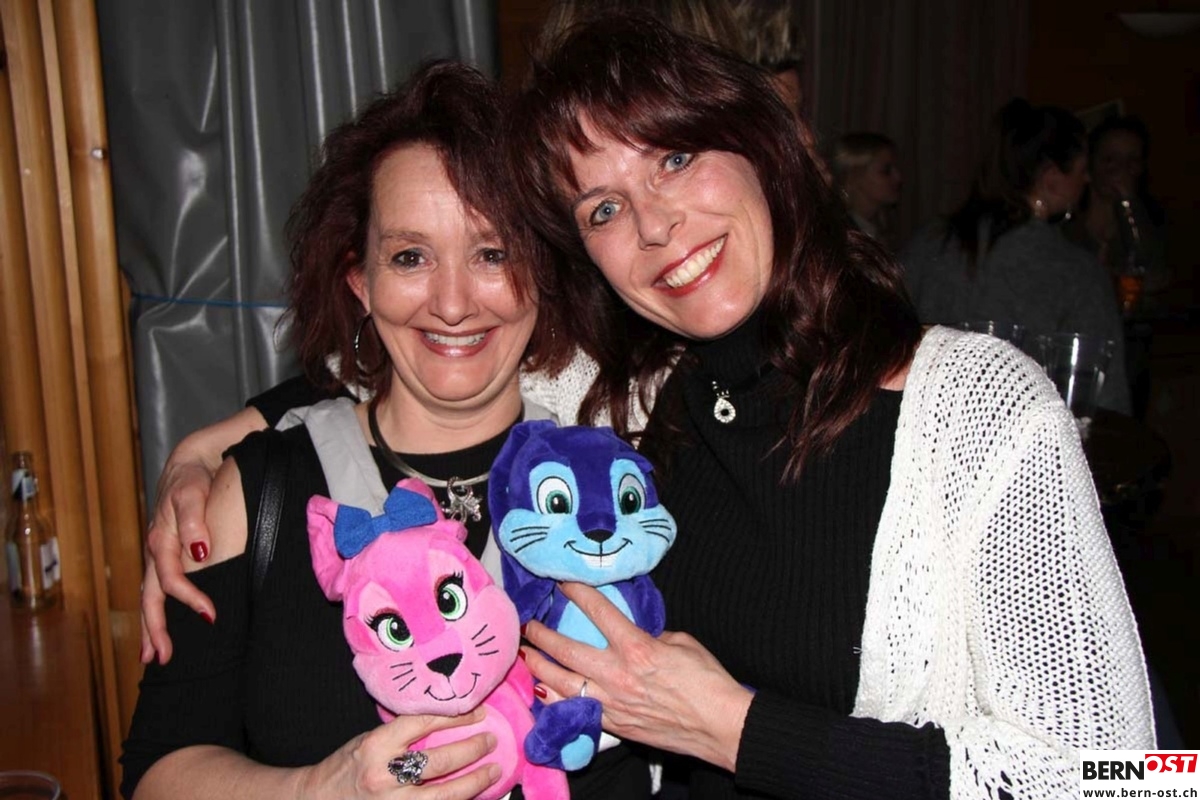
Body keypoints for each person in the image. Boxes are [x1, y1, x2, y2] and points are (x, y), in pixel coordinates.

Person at [503, 15, 1152, 800]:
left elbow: (1132, 778)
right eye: (603, 209)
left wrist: (733, 729)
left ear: (762, 146)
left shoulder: (981, 411)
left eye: (675, 157)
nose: (654, 225)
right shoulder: (632, 404)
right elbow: (444, 336)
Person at [121, 60, 650, 800]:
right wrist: (321, 788)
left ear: (545, 274)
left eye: (492, 253)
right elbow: (157, 771)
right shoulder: (254, 492)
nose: (453, 303)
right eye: (410, 257)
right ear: (360, 281)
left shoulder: (619, 488)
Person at [901, 98, 1132, 414]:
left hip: (923, 429)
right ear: (1051, 178)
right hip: (1028, 440)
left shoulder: (930, 241)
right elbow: (1105, 399)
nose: (1088, 180)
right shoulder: (1073, 269)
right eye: (1082, 170)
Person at [1064, 114, 1169, 314]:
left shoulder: (1152, 222)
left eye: (1132, 160)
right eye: (1110, 160)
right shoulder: (1066, 227)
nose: (1121, 170)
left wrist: (1128, 203)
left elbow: (1155, 275)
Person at [830, 132, 903, 245]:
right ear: (853, 177)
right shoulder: (840, 235)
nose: (898, 177)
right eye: (886, 171)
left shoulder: (877, 228)